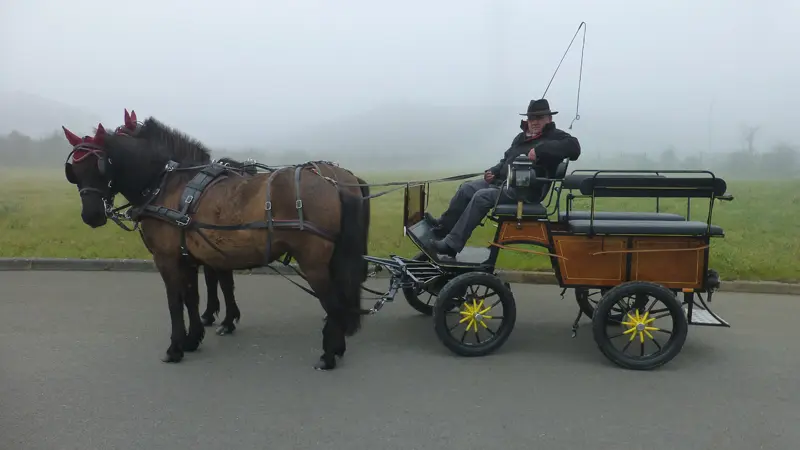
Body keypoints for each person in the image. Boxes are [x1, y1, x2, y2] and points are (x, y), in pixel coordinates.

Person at [426, 98, 581, 257]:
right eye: (531, 118)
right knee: (466, 188)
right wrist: (493, 171)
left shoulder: (556, 136)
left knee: (481, 197)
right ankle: (442, 228)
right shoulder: (521, 138)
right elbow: (506, 160)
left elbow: (574, 147)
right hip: (504, 184)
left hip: (526, 191)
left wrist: (540, 150)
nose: (534, 122)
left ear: (549, 119)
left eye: (539, 118)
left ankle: (451, 245)